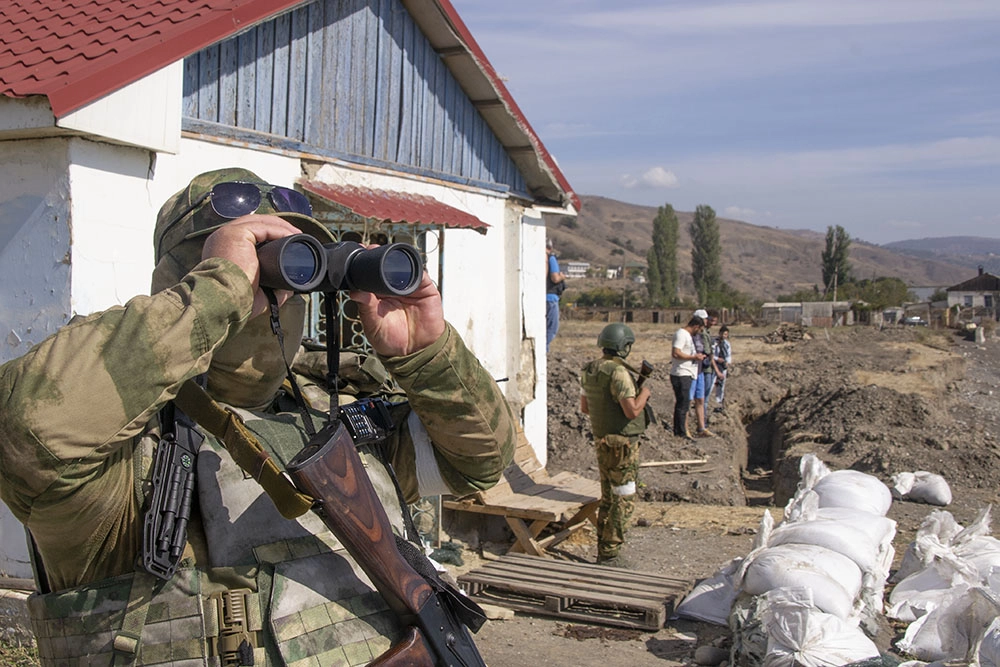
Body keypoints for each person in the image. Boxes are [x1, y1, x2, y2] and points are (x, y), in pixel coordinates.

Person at [0, 168, 517, 666]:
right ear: (181, 283)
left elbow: (479, 461)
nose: (276, 297)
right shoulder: (122, 454)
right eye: (257, 268)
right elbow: (28, 429)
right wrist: (214, 297)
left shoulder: (332, 426)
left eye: (295, 272)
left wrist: (426, 355)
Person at [579, 323, 651, 566]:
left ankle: (604, 550)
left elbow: (585, 408)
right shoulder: (618, 373)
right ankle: (611, 554)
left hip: (603, 444)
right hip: (622, 448)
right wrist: (645, 394)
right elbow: (631, 411)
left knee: (608, 498)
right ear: (624, 347)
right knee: (623, 498)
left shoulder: (589, 370)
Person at [670, 315, 706, 440]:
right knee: (682, 404)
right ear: (696, 326)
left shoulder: (687, 336)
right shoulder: (681, 334)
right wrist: (694, 357)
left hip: (687, 373)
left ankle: (679, 431)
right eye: (700, 329)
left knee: (683, 404)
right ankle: (680, 432)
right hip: (681, 374)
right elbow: (676, 353)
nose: (699, 332)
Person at [699, 313, 722, 432]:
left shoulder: (706, 332)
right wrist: (717, 371)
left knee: (705, 398)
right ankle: (703, 424)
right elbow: (709, 354)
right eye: (711, 320)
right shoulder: (703, 333)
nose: (713, 323)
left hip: (709, 368)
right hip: (707, 369)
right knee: (704, 398)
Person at [545, 238, 565, 352]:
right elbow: (555, 277)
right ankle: (543, 351)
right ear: (550, 247)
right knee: (551, 329)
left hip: (540, 297)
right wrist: (562, 276)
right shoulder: (551, 258)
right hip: (551, 298)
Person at [713, 325, 732, 409]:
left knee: (721, 383)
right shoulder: (714, 342)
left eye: (726, 334)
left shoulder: (727, 344)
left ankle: (719, 400)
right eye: (723, 334)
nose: (724, 336)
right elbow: (711, 354)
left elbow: (729, 354)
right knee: (713, 382)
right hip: (715, 364)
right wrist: (717, 359)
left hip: (723, 365)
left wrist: (727, 362)